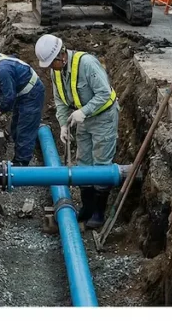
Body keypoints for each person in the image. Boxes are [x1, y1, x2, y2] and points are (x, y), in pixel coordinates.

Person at [35, 34, 119, 230]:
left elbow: (105, 93)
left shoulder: (87, 63)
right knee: (83, 163)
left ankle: (99, 213)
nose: (50, 68)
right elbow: (60, 100)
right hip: (83, 119)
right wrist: (63, 124)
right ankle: (87, 208)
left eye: (51, 63)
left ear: (62, 55)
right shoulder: (57, 71)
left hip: (103, 117)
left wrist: (84, 111)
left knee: (100, 164)